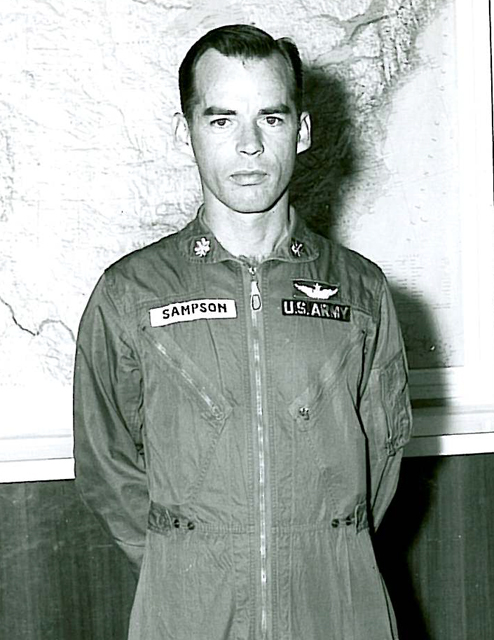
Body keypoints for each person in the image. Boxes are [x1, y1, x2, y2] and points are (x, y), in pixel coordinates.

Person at [74, 24, 412, 640]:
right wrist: (187, 562)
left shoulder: (361, 291)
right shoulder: (130, 294)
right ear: (186, 132)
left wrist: (320, 552)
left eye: (271, 118)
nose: (249, 145)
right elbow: (106, 464)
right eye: (222, 119)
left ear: (302, 130)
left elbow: (383, 461)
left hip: (337, 604)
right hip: (189, 608)